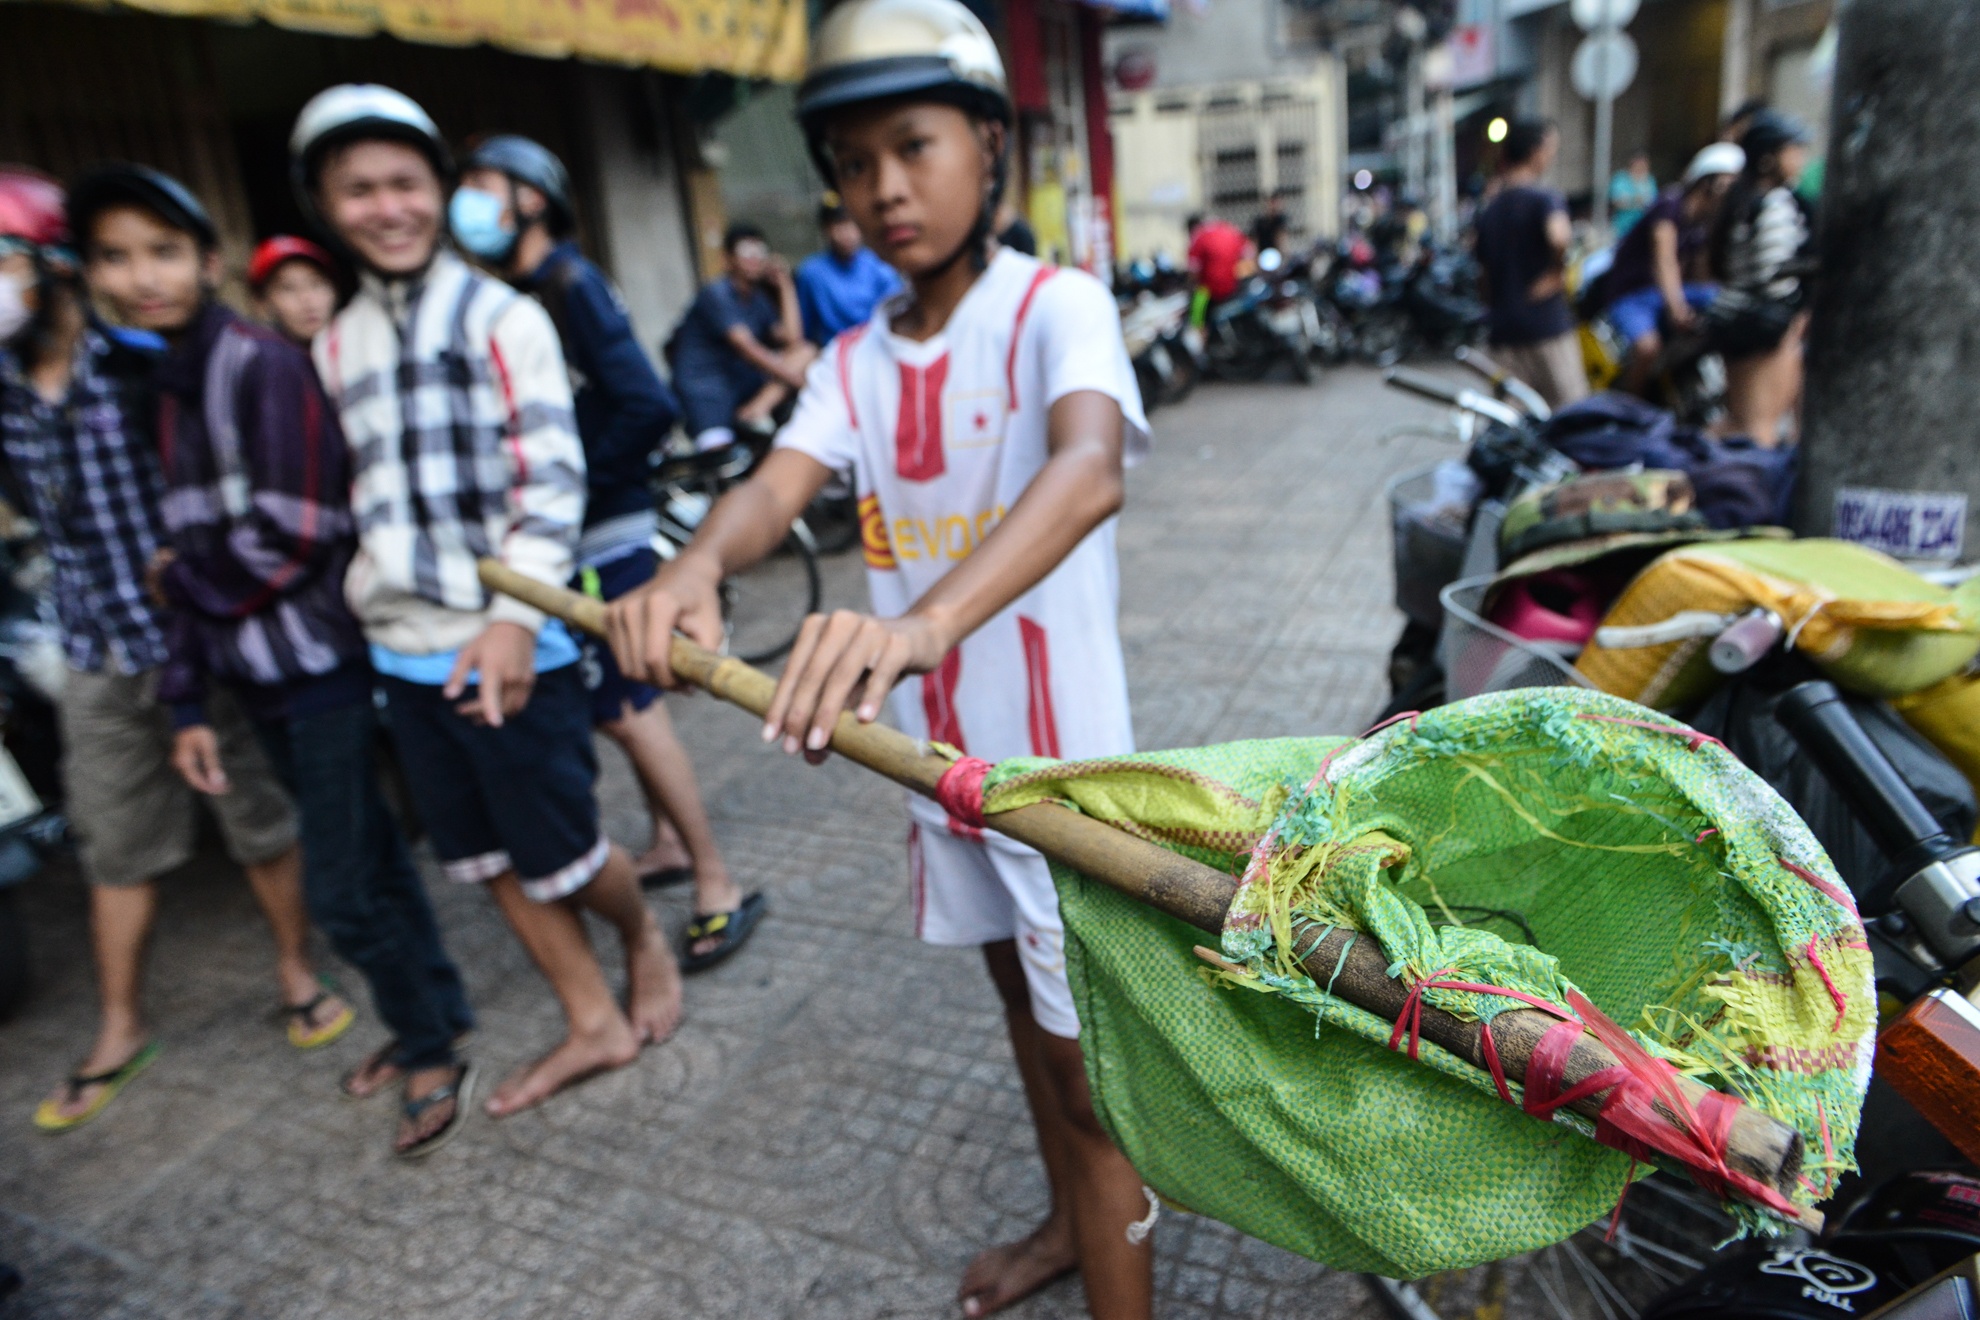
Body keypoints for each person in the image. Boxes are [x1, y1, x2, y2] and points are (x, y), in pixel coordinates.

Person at [606, 1, 1157, 1313]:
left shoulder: (1053, 306)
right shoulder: (855, 357)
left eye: (915, 146)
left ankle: (1110, 1248)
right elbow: (773, 484)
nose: (885, 188)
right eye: (855, 164)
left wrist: (917, 626)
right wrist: (691, 568)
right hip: (932, 764)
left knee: (1094, 1087)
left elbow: (1087, 471)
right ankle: (1068, 1226)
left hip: (1059, 784)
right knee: (1026, 1036)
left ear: (988, 145)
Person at [290, 84, 680, 1116]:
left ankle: (644, 937)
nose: (387, 207)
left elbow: (552, 480)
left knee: (568, 852)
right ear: (329, 206)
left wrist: (515, 621)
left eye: (405, 183)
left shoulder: (506, 315)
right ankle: (589, 1018)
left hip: (516, 644)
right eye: (359, 189)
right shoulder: (332, 348)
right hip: (403, 656)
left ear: (442, 191)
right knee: (488, 859)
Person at [77, 165, 477, 1156]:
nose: (142, 277)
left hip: (321, 668)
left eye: (163, 252)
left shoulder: (259, 363)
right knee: (374, 856)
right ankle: (435, 1014)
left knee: (339, 888)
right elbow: (180, 546)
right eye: (115, 258)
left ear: (208, 262)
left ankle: (430, 1046)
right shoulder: (162, 383)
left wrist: (183, 579)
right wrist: (184, 698)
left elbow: (296, 531)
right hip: (253, 674)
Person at [1, 166, 339, 1134]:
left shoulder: (153, 365)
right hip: (93, 649)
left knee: (257, 819)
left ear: (47, 268)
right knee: (114, 839)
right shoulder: (4, 394)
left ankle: (296, 971)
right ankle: (118, 1027)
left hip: (199, 635)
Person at [448, 134, 755, 970]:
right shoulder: (522, 292)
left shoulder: (568, 285)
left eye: (483, 185)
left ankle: (716, 880)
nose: (464, 203)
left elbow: (646, 406)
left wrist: (575, 484)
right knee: (618, 707)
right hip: (577, 535)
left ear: (532, 199)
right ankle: (668, 842)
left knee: (627, 708)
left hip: (600, 536)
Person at [1707, 109, 1815, 446]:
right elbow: (1775, 274)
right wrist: (1798, 313)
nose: (1798, 158)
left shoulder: (1741, 201)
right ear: (1770, 157)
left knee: (1735, 421)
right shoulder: (1776, 203)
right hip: (1764, 326)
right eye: (1792, 150)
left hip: (1733, 318)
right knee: (1760, 429)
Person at [1604, 142, 1744, 394]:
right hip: (1633, 293)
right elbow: (1664, 260)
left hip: (1672, 291)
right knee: (1647, 348)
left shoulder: (1703, 222)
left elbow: (1703, 274)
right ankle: (1629, 402)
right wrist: (1677, 308)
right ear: (1707, 182)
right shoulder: (1670, 205)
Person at [666, 222, 818, 452]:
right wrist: (800, 381)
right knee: (721, 462)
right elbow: (746, 347)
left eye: (760, 252)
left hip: (742, 389)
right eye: (746, 252)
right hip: (706, 394)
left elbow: (792, 340)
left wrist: (785, 285)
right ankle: (752, 415)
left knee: (805, 352)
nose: (755, 259)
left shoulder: (757, 299)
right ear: (727, 259)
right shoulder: (716, 293)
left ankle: (756, 411)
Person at [1473, 117, 1587, 408]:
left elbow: (1483, 278)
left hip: (1503, 328)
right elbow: (1560, 238)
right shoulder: (1545, 199)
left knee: (1512, 423)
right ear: (1537, 151)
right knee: (1572, 416)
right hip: (1546, 325)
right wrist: (1556, 273)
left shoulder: (1491, 208)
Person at [795, 194, 900, 345]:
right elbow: (805, 328)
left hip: (876, 346)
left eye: (852, 225)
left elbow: (897, 314)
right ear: (825, 229)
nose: (847, 234)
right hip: (832, 351)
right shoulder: (811, 272)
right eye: (838, 226)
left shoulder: (879, 265)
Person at [248, 235, 340, 345]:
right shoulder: (261, 357)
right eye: (288, 288)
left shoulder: (360, 340)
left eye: (316, 283)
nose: (307, 299)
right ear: (262, 303)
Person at [1184, 211, 1247, 305]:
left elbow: (1193, 271)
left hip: (1209, 292)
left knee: (1195, 311)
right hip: (1233, 289)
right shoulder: (1231, 231)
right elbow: (1248, 256)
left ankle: (1197, 320)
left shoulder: (1199, 236)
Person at [1608, 149, 1658, 237]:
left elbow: (1654, 200)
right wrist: (1635, 199)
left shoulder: (1649, 180)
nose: (1643, 167)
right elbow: (1616, 201)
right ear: (1633, 163)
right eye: (1640, 164)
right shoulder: (1621, 179)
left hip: (1644, 227)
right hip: (1624, 226)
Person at [1248, 191, 1289, 258]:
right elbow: (1255, 240)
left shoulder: (1281, 220)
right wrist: (1255, 255)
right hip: (1262, 254)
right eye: (1272, 203)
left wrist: (1284, 252)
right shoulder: (1259, 221)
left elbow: (1281, 238)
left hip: (1276, 254)